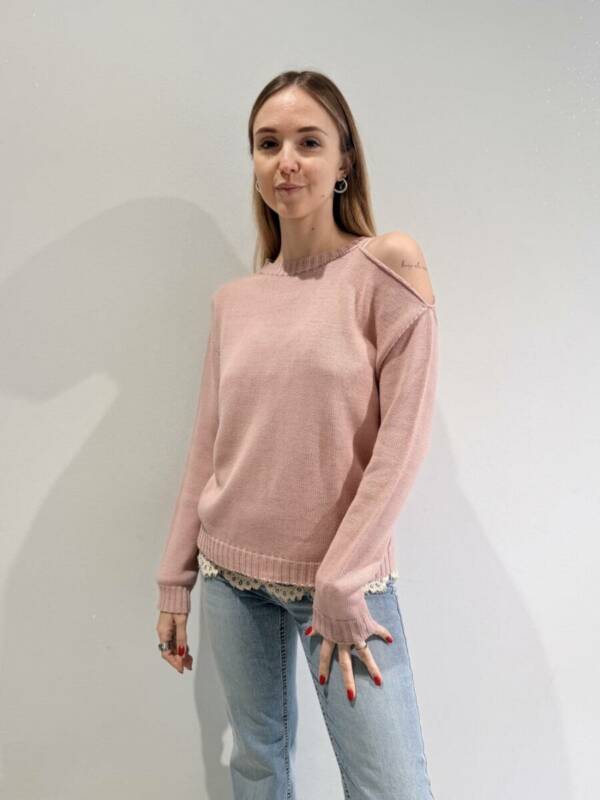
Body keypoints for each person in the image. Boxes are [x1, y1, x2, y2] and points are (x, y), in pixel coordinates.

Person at [155, 69, 438, 800]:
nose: (287, 161)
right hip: (231, 577)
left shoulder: (388, 267)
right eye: (268, 143)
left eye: (309, 143)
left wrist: (343, 576)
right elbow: (208, 448)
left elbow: (403, 441)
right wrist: (174, 581)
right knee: (257, 765)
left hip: (341, 587)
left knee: (390, 785)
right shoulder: (236, 301)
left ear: (344, 161)